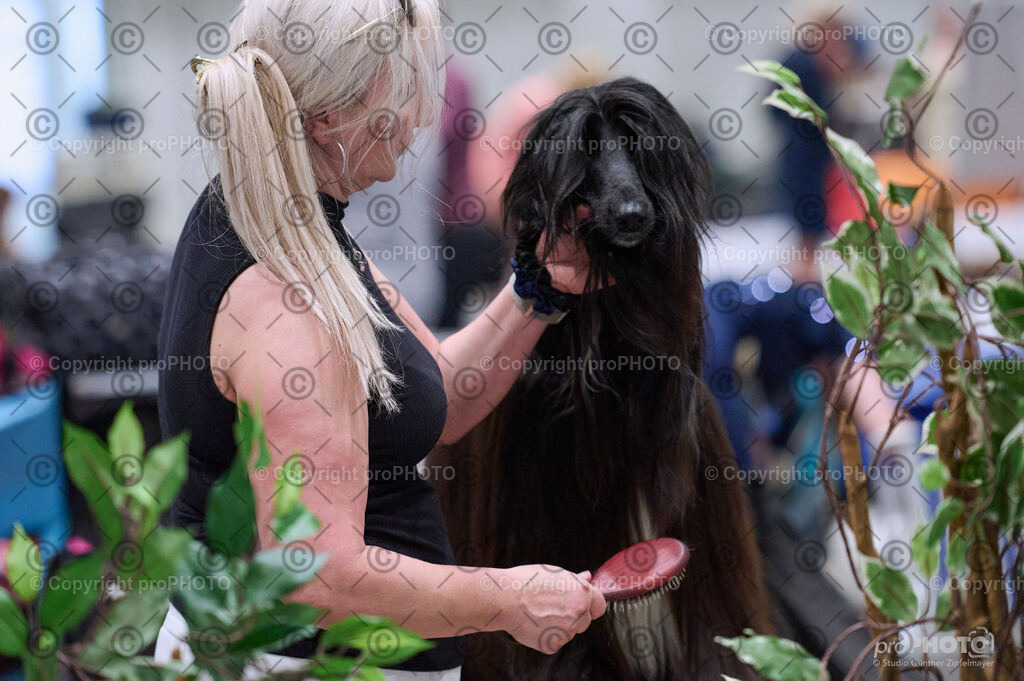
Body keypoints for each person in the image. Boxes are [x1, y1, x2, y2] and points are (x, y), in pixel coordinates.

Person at [155, 1, 606, 679]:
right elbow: (318, 577)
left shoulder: (284, 220)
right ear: (330, 116)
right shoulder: (290, 301)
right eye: (403, 92)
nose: (422, 119)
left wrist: (535, 291)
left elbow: (439, 393)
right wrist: (510, 598)